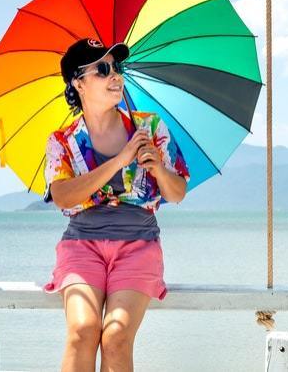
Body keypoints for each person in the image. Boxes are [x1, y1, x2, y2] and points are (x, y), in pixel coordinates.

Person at [41, 38, 190, 371]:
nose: (115, 76)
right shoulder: (62, 141)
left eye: (117, 67)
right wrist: (121, 160)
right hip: (81, 246)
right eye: (103, 69)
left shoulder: (149, 127)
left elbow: (177, 192)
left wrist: (158, 168)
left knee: (116, 335)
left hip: (138, 245)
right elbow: (63, 196)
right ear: (78, 83)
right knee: (82, 330)